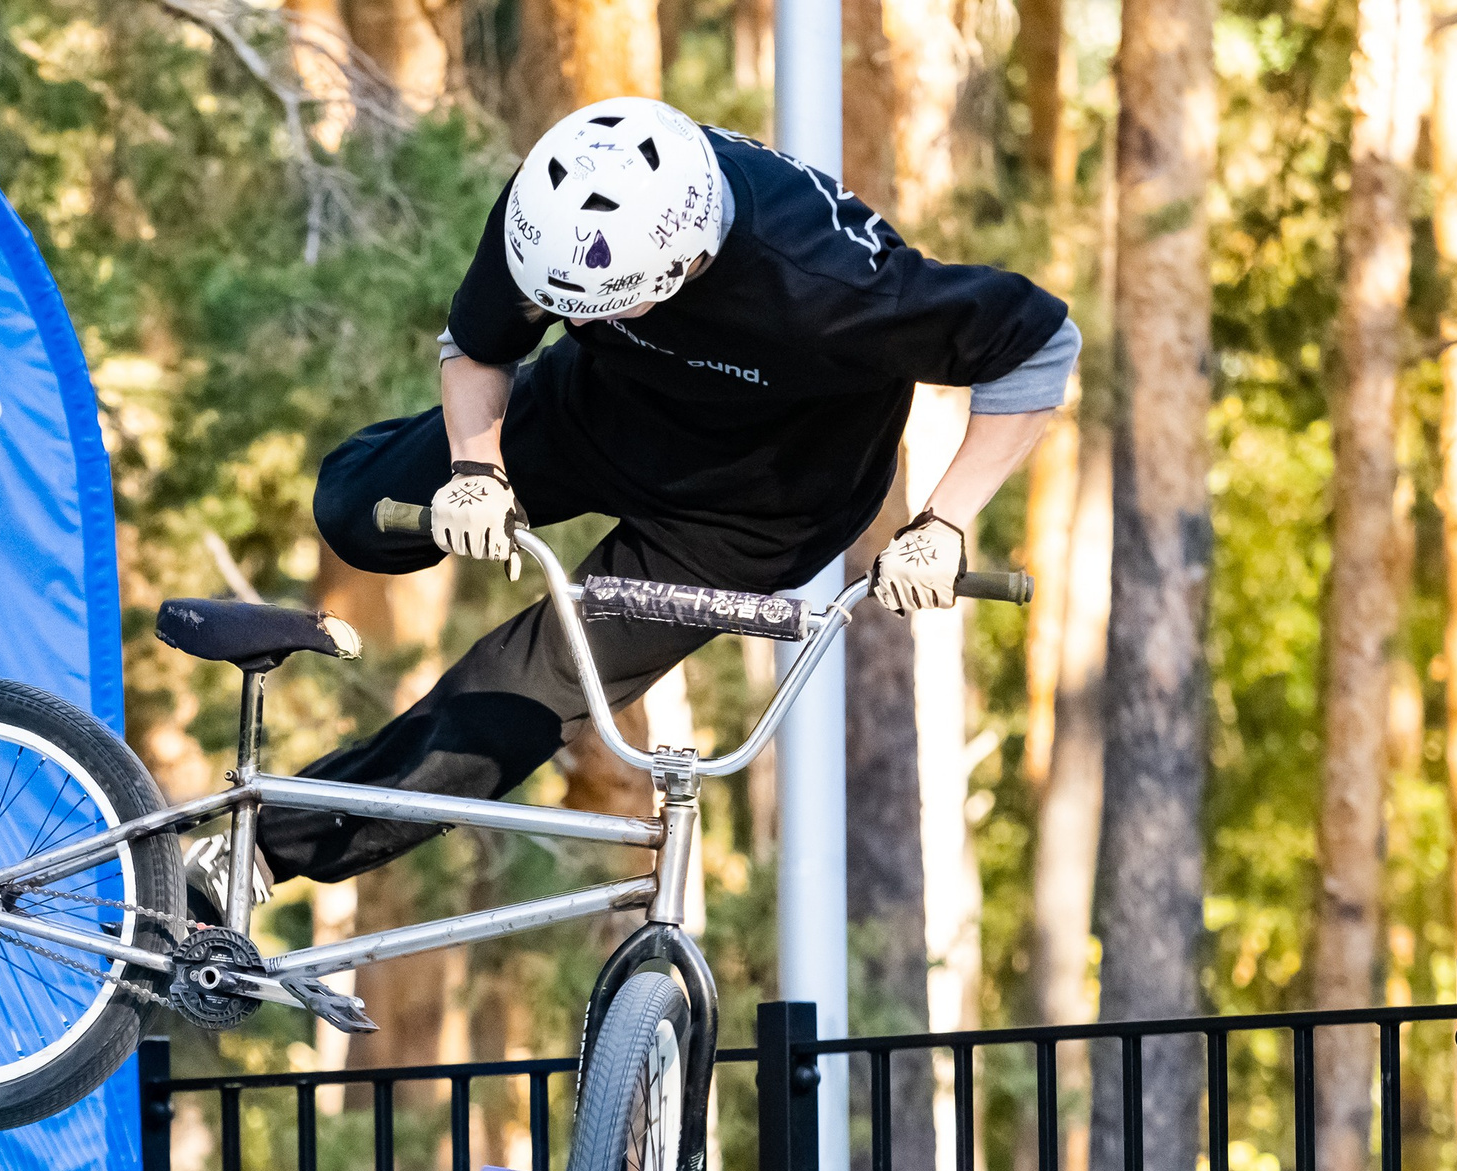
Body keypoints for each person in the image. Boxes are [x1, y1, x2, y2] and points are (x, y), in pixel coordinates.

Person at [201, 95, 1077, 905]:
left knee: (513, 704)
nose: (575, 320)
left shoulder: (825, 282)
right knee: (356, 510)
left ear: (689, 263)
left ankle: (260, 855)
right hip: (597, 413)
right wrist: (476, 473)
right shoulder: (553, 206)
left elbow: (1038, 347)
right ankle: (402, 484)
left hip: (753, 513)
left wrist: (942, 523)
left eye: (602, 309)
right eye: (565, 311)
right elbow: (478, 347)